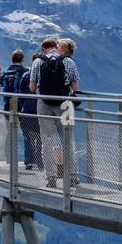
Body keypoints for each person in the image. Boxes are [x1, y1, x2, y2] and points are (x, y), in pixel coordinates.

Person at [31, 36, 80, 189]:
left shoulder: (38, 61)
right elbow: (75, 86)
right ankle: (72, 176)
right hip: (64, 104)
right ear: (56, 46)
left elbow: (32, 88)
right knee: (68, 140)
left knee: (47, 142)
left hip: (44, 103)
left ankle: (51, 178)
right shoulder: (68, 61)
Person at [18, 51, 43, 170]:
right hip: (40, 110)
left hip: (27, 109)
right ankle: (40, 162)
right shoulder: (43, 75)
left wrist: (23, 107)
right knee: (40, 136)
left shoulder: (26, 75)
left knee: (27, 136)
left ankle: (29, 162)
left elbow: (21, 93)